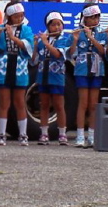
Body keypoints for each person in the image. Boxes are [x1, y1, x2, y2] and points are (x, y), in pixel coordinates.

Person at [0, 1, 34, 146]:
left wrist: (13, 37)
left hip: (19, 67)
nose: (19, 19)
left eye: (21, 16)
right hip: (3, 66)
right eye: (15, 16)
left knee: (20, 102)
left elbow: (28, 47)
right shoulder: (0, 29)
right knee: (4, 102)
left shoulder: (26, 30)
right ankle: (1, 134)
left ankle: (23, 134)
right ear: (8, 17)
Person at [68, 3, 108, 148]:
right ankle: (80, 135)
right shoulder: (77, 32)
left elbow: (103, 51)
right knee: (83, 103)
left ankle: (91, 135)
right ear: (84, 18)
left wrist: (91, 38)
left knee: (93, 104)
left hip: (97, 68)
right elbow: (70, 54)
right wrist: (74, 40)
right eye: (91, 17)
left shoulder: (102, 33)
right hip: (81, 68)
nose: (95, 20)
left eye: (97, 17)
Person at [31, 11, 69, 146]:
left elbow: (59, 55)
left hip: (57, 76)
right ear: (48, 26)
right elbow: (34, 61)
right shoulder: (42, 41)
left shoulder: (64, 39)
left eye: (59, 24)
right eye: (54, 25)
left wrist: (46, 43)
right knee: (44, 104)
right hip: (43, 76)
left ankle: (62, 133)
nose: (57, 27)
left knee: (59, 105)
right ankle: (44, 133)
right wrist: (36, 44)